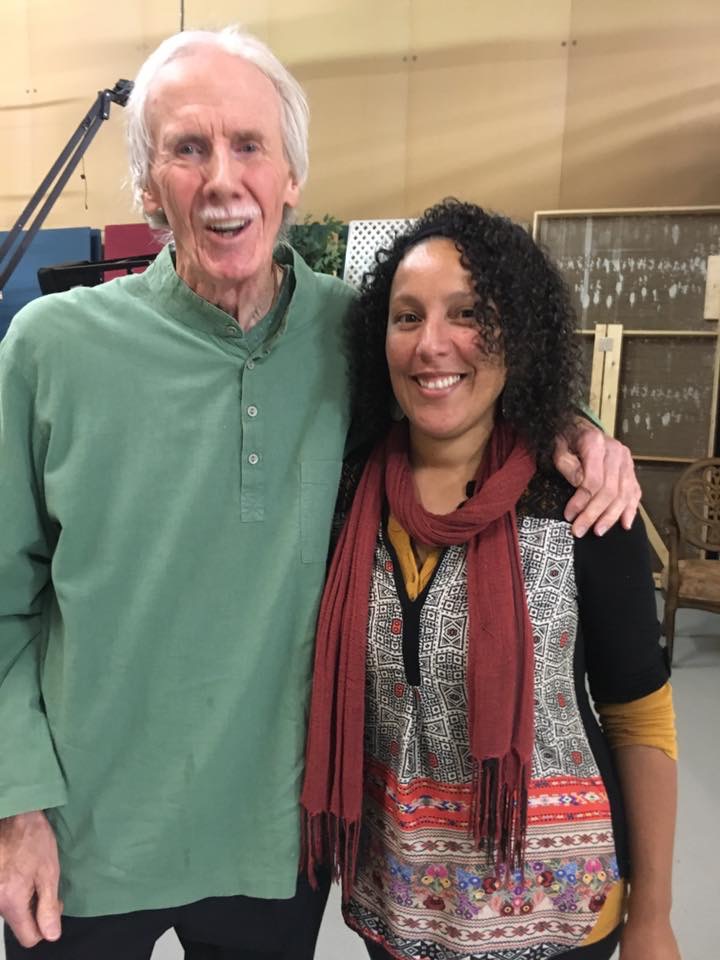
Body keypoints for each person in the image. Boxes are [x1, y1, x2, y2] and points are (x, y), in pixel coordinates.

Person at [0, 26, 639, 960]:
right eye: (188, 149)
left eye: (250, 145)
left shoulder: (358, 333)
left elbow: (474, 376)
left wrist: (578, 429)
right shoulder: (50, 350)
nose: (223, 180)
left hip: (275, 845)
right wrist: (15, 806)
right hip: (84, 842)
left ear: (292, 175)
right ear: (145, 185)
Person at [301, 201, 681, 960]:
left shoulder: (583, 502)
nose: (432, 344)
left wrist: (653, 918)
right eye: (407, 317)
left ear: (519, 335)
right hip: (398, 912)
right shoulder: (343, 498)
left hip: (562, 914)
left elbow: (640, 715)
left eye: (468, 313)